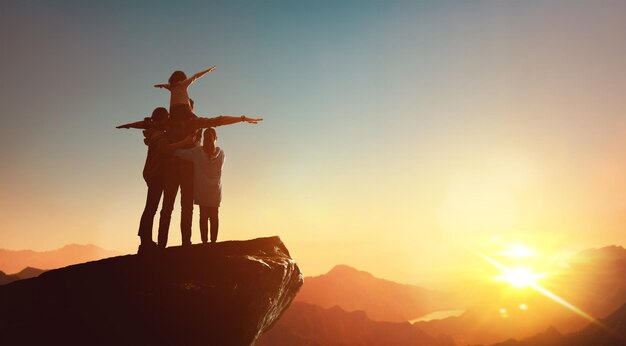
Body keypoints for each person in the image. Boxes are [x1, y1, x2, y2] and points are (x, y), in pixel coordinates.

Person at [117, 112, 262, 247]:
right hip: (184, 172)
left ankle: (163, 244)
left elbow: (148, 125)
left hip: (172, 170)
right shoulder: (193, 125)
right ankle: (185, 243)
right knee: (183, 209)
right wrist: (241, 119)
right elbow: (218, 121)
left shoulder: (172, 124)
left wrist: (128, 125)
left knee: (167, 209)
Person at [136, 107, 194, 254]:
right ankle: (145, 242)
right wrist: (185, 141)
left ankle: (145, 241)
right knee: (151, 208)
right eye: (166, 117)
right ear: (161, 119)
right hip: (156, 174)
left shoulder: (154, 133)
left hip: (151, 173)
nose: (168, 120)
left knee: (151, 208)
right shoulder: (158, 135)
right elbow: (166, 149)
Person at [174, 128, 223, 243]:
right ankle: (213, 243)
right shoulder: (222, 154)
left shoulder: (197, 152)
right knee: (214, 216)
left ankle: (205, 243)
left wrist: (169, 148)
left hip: (202, 190)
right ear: (216, 138)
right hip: (215, 191)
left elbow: (181, 154)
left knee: (203, 216)